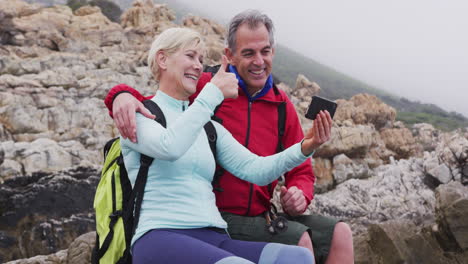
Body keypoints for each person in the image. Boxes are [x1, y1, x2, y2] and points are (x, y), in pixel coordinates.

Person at [105, 10, 353, 264]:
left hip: (213, 232)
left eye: (200, 59)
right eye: (190, 56)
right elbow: (170, 144)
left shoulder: (212, 126)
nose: (198, 65)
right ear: (163, 59)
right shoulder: (146, 112)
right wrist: (120, 95)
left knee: (297, 257)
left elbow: (256, 168)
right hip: (161, 234)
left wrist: (308, 145)